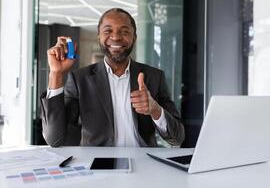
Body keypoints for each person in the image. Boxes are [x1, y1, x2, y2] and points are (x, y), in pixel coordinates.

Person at [41, 8, 185, 147]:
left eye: (124, 31)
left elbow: (177, 138)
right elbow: (55, 139)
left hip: (145, 164)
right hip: (98, 165)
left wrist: (155, 109)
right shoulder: (80, 80)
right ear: (99, 36)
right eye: (108, 31)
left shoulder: (154, 77)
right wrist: (56, 74)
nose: (115, 37)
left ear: (134, 38)